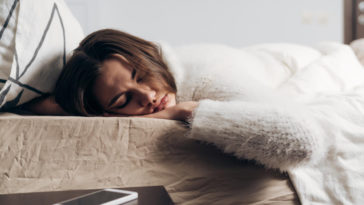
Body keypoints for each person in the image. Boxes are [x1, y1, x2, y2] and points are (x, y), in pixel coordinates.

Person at [24, 29, 325, 170]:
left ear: (147, 56)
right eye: (122, 99)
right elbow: (33, 103)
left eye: (140, 75)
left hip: (292, 61)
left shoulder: (207, 78)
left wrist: (187, 111)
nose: (147, 96)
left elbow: (302, 140)